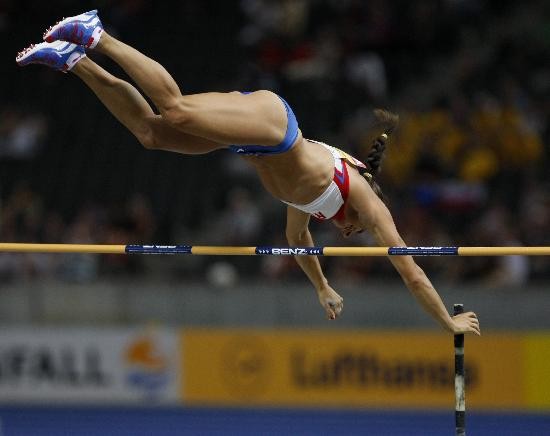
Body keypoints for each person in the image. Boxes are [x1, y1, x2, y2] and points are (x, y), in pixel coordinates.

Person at [16, 10, 480, 335]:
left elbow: (298, 243)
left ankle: (73, 60)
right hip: (274, 128)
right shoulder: (360, 196)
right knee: (174, 109)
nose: (350, 232)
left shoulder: (311, 210)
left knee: (152, 134)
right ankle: (98, 35)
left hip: (250, 142)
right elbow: (412, 273)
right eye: (355, 230)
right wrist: (447, 323)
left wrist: (322, 287)